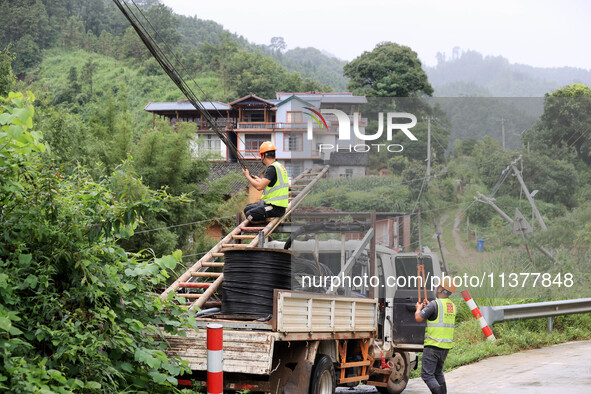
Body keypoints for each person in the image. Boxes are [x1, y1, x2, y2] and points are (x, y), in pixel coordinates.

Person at [414, 277, 457, 394]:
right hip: (445, 347)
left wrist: (418, 309)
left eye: (438, 285)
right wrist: (428, 307)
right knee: (438, 373)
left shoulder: (434, 305)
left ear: (440, 289)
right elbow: (438, 314)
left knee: (427, 375)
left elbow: (418, 317)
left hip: (433, 345)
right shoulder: (453, 306)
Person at [242, 141, 289, 222]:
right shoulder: (278, 166)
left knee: (250, 214)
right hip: (274, 205)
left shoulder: (272, 168)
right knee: (247, 208)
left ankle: (267, 219)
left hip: (276, 208)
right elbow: (272, 184)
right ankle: (266, 217)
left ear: (263, 155)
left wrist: (247, 176)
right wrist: (258, 179)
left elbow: (259, 187)